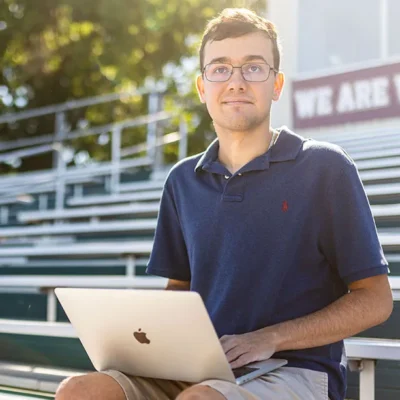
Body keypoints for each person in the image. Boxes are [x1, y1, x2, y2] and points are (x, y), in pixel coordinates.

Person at [56, 7, 393, 400]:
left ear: (277, 84)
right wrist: (154, 348)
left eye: (253, 68)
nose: (236, 82)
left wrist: (271, 338)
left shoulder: (325, 167)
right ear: (202, 88)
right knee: (81, 391)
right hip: (200, 368)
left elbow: (376, 300)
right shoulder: (182, 181)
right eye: (220, 69)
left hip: (293, 370)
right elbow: (178, 290)